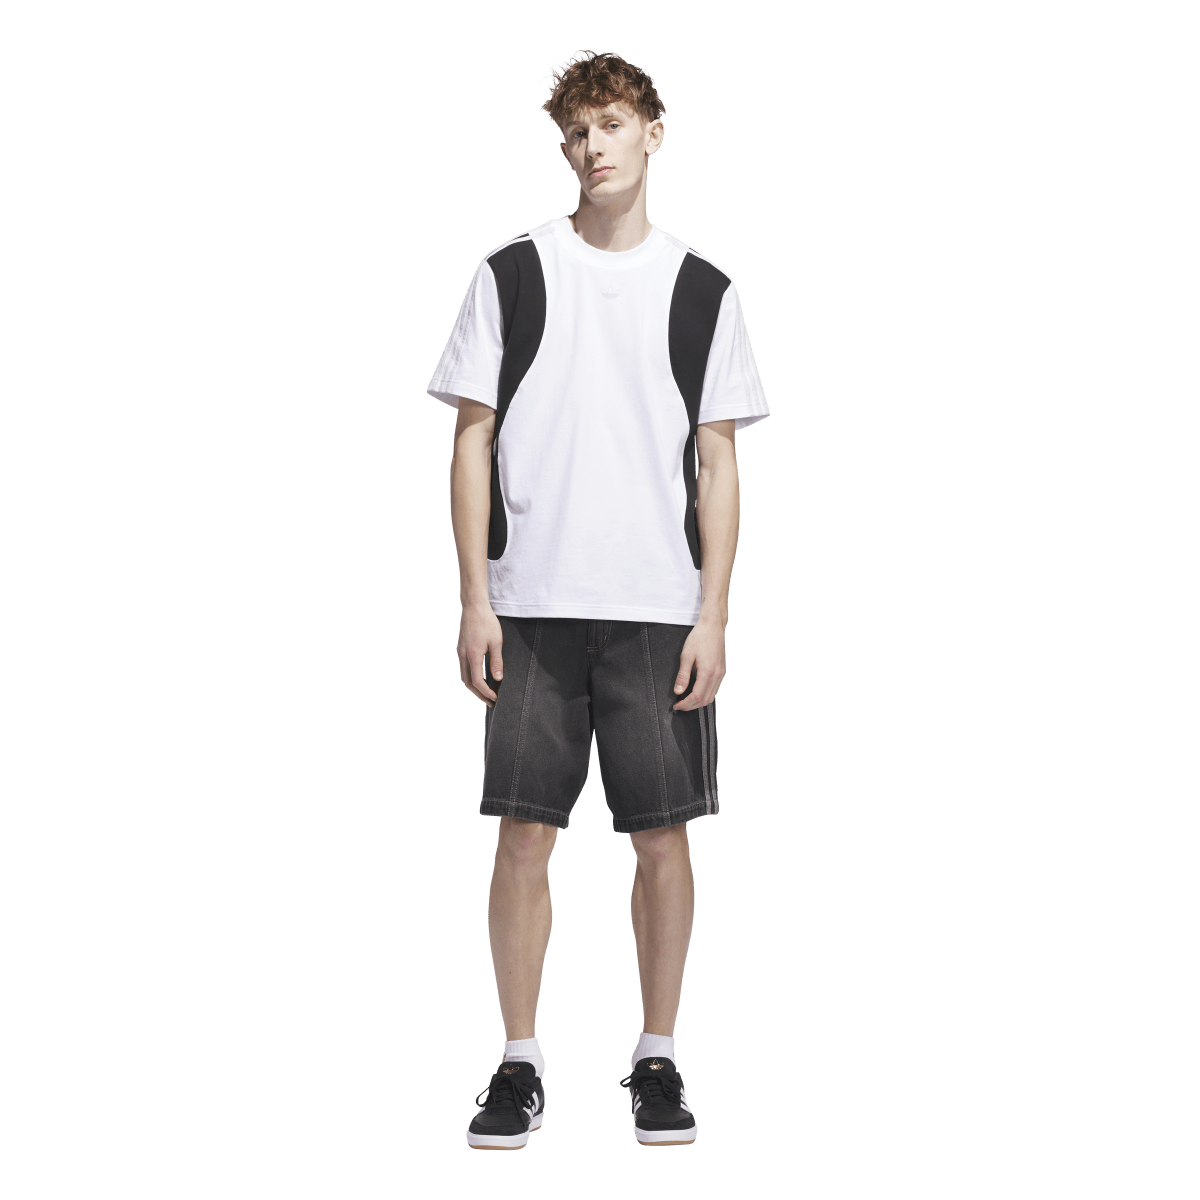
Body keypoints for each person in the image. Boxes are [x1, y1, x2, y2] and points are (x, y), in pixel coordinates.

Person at [426, 48, 770, 1150]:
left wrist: (713, 613)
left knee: (662, 841)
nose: (593, 147)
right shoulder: (512, 272)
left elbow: (717, 460)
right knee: (523, 837)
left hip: (659, 611)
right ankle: (519, 1060)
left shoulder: (703, 288)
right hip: (530, 606)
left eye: (612, 124)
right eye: (576, 130)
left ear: (653, 132)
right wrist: (474, 600)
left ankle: (657, 1057)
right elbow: (470, 439)